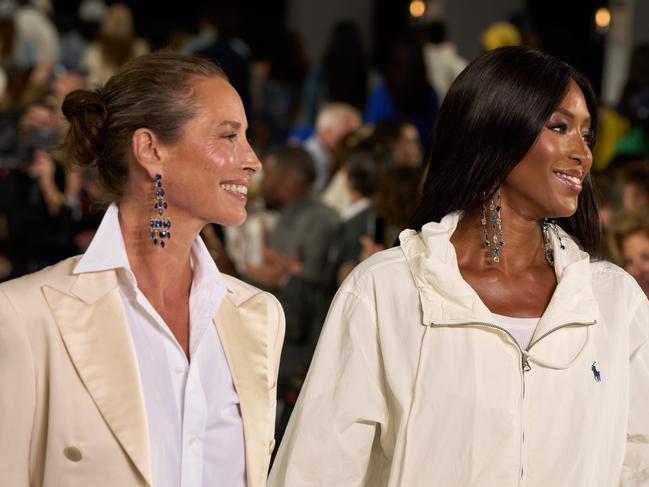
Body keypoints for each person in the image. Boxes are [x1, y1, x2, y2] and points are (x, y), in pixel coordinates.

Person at [269, 46, 649, 486]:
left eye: (587, 135)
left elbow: (637, 460)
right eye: (560, 127)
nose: (582, 152)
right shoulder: (388, 291)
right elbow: (317, 470)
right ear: (494, 133)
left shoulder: (614, 301)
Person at [0, 51, 285, 487]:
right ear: (151, 149)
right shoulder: (24, 317)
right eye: (228, 136)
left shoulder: (259, 316)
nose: (252, 160)